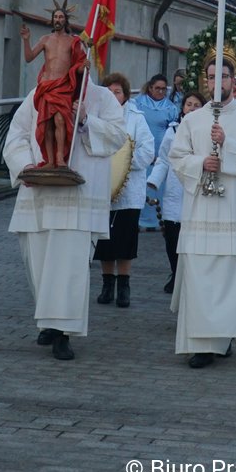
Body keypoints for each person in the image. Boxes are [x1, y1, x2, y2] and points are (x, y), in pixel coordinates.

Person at [3, 72, 127, 360]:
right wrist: (26, 167)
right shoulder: (37, 94)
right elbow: (16, 136)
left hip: (77, 200)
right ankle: (48, 321)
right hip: (40, 194)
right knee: (39, 264)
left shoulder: (101, 98)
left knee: (68, 270)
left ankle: (63, 332)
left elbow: (118, 136)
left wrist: (86, 120)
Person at [168, 59, 236, 368]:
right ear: (205, 80)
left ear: (233, 79)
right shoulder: (193, 120)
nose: (218, 82)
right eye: (212, 77)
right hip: (201, 211)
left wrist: (228, 147)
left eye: (224, 77)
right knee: (200, 276)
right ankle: (201, 344)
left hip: (234, 210)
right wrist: (201, 163)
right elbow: (177, 157)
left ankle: (221, 338)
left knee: (227, 277)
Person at [94, 72, 155, 308]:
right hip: (103, 188)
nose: (113, 95)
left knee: (125, 240)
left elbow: (147, 149)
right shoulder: (96, 117)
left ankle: (124, 285)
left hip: (129, 190)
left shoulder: (136, 118)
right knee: (105, 241)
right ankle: (107, 284)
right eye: (108, 91)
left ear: (125, 95)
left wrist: (126, 164)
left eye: (117, 91)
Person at [148, 92, 207, 294]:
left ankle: (190, 276)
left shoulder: (207, 130)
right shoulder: (173, 130)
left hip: (196, 186)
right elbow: (164, 158)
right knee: (172, 235)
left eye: (196, 104)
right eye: (188, 104)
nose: (191, 107)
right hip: (174, 188)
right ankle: (175, 272)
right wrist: (154, 180)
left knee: (192, 236)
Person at [19, 0, 86, 169]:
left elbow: (78, 65)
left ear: (66, 20)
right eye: (55, 16)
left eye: (61, 17)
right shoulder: (45, 39)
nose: (58, 19)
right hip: (46, 86)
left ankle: (60, 158)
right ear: (52, 20)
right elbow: (28, 57)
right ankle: (49, 160)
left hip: (63, 87)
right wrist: (26, 40)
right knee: (46, 122)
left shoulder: (73, 41)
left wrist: (83, 67)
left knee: (60, 120)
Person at [131, 73, 179, 231]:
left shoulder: (171, 108)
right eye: (157, 88)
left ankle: (157, 223)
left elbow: (172, 131)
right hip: (140, 153)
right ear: (150, 88)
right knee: (140, 188)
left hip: (160, 155)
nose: (160, 91)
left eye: (163, 89)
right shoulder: (138, 103)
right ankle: (138, 221)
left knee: (156, 190)